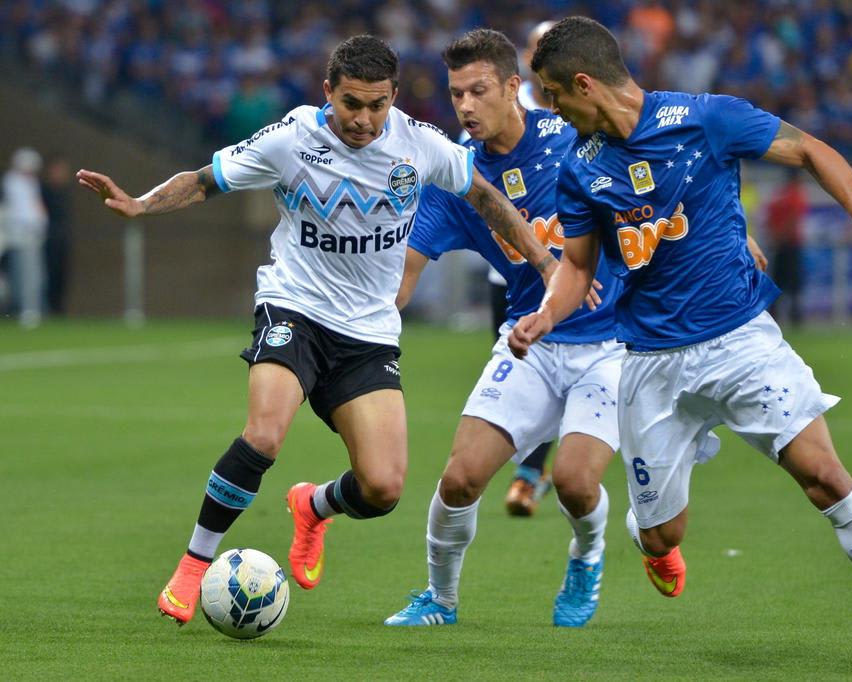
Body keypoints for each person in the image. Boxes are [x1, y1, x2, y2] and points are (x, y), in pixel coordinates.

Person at [511, 17, 852, 676]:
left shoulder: (708, 120)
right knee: (662, 534)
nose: (551, 109)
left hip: (741, 342)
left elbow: (814, 150)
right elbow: (578, 268)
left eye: (554, 94)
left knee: (825, 477)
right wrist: (545, 314)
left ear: (584, 83)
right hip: (650, 366)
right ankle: (656, 542)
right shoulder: (580, 169)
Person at [77, 34, 556, 627]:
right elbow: (206, 179)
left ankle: (313, 506)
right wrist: (141, 204)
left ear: (394, 97)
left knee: (383, 488)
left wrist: (545, 263)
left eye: (377, 105)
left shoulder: (421, 146)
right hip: (294, 309)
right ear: (328, 92)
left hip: (369, 332)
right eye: (351, 104)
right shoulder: (292, 138)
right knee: (265, 434)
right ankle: (194, 563)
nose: (363, 119)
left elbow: (485, 196)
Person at [383, 28, 622, 628]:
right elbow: (401, 280)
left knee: (571, 482)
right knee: (460, 479)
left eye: (478, 91)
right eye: (456, 94)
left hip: (613, 344)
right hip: (531, 342)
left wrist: (729, 230)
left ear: (514, 88)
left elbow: (659, 182)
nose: (465, 106)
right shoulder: (458, 181)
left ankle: (587, 555)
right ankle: (439, 599)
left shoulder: (573, 138)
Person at [499, 19, 556, 517]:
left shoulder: (576, 115)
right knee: (525, 365)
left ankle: (531, 472)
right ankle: (533, 466)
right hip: (513, 268)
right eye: (540, 48)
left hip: (569, 266)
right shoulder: (501, 110)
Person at [2, 147, 48, 329]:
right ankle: (25, 310)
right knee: (24, 275)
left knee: (34, 275)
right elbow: (23, 211)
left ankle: (31, 308)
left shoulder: (30, 183)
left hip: (32, 234)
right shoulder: (13, 181)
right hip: (21, 234)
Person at [765, 168, 808, 327]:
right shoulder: (796, 194)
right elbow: (794, 219)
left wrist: (774, 237)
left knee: (778, 280)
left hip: (779, 243)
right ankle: (795, 317)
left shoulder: (778, 195)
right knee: (793, 282)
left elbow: (769, 217)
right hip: (790, 243)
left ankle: (774, 314)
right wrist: (782, 236)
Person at [41, 154, 74, 316]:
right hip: (47, 240)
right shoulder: (43, 191)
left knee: (62, 277)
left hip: (61, 240)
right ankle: (46, 310)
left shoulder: (63, 192)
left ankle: (57, 311)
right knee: (48, 276)